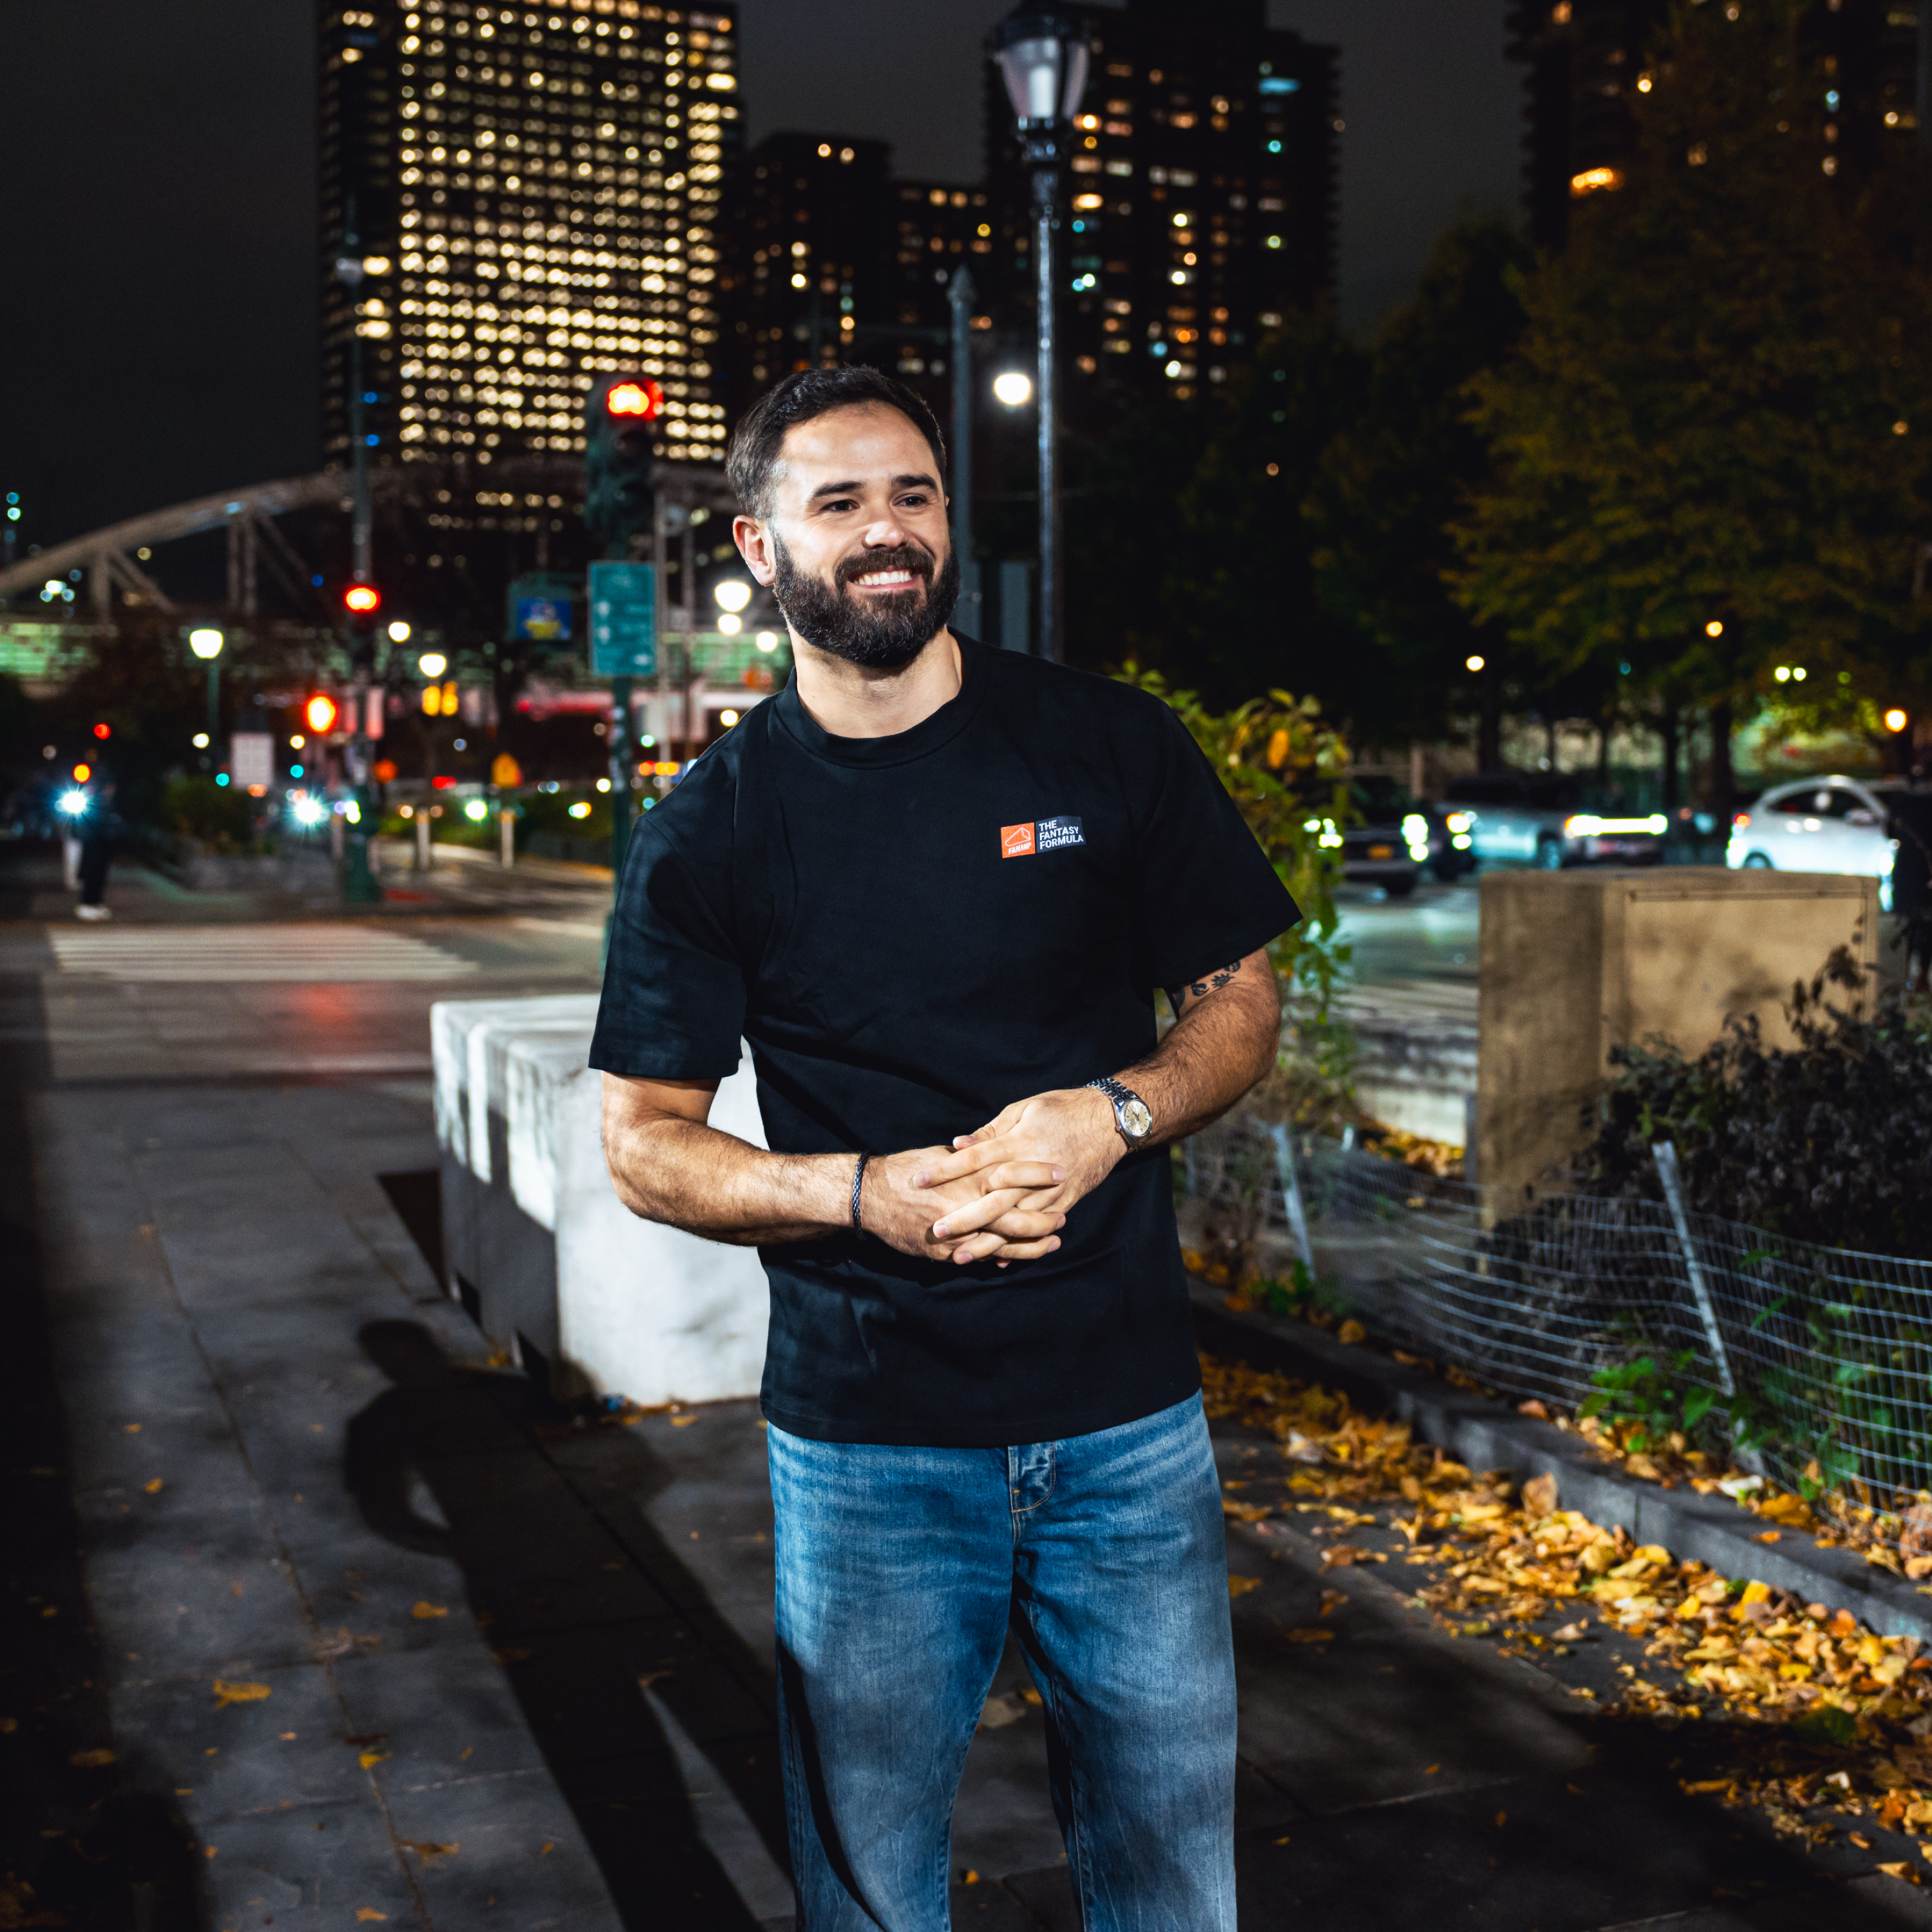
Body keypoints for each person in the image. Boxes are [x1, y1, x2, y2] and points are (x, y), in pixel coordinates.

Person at [592, 366, 1297, 1931]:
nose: (886, 531)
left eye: (911, 492)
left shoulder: (1103, 744)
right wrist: (859, 1196)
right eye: (836, 502)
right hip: (870, 1439)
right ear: (758, 549)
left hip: (1125, 1417)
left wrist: (1110, 1115)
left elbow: (1238, 996)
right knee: (872, 1882)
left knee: (1173, 1865)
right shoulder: (709, 827)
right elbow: (643, 1142)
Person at [75, 778, 119, 922]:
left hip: (99, 847)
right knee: (93, 877)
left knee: (98, 877)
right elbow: (101, 824)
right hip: (95, 847)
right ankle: (88, 904)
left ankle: (95, 904)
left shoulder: (103, 803)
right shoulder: (100, 803)